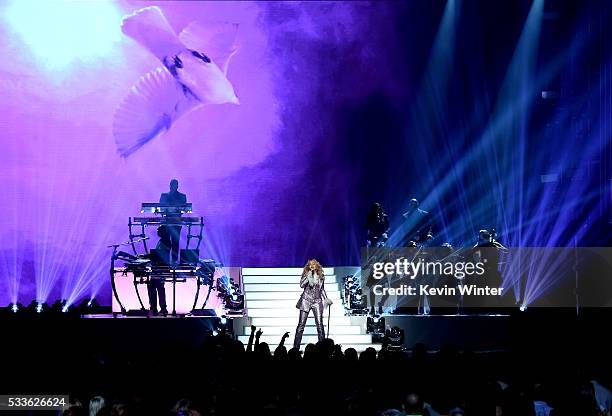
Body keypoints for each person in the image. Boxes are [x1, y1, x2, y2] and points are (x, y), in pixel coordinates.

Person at [293, 259, 333, 349]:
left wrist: (326, 299)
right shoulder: (306, 274)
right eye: (310, 264)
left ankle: (323, 348)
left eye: (313, 264)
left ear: (317, 266)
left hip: (317, 301)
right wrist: (308, 276)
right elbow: (301, 285)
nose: (312, 266)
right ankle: (296, 348)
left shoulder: (321, 276)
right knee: (301, 325)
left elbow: (322, 289)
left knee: (320, 325)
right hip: (306, 300)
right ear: (308, 266)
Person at [159, 178, 187, 263]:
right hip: (166, 222)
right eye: (172, 184)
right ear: (169, 185)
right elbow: (160, 208)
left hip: (176, 222)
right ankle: (165, 261)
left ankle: (174, 261)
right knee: (166, 242)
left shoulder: (182, 196)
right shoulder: (164, 195)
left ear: (177, 186)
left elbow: (185, 208)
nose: (173, 186)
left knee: (175, 242)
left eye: (175, 184)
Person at [147, 225, 170, 316]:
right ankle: (159, 308)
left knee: (156, 287)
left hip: (161, 268)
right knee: (157, 287)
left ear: (163, 231)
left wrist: (147, 256)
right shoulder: (163, 241)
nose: (157, 232)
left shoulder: (165, 241)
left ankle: (157, 308)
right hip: (159, 267)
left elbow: (159, 254)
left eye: (159, 230)